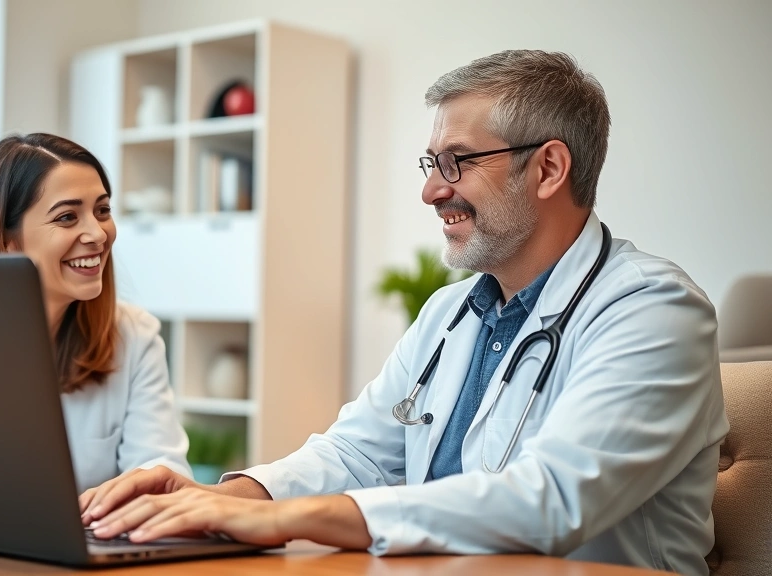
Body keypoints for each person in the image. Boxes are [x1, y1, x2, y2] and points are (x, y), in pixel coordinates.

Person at [74, 51, 730, 575]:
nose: (431, 190)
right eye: (430, 164)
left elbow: (552, 500)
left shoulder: (653, 311)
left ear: (549, 168)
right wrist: (223, 500)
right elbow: (356, 453)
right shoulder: (451, 313)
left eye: (456, 163)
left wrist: (284, 520)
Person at [0, 133, 191, 493]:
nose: (98, 234)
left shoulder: (134, 336)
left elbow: (163, 479)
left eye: (102, 211)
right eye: (67, 217)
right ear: (5, 240)